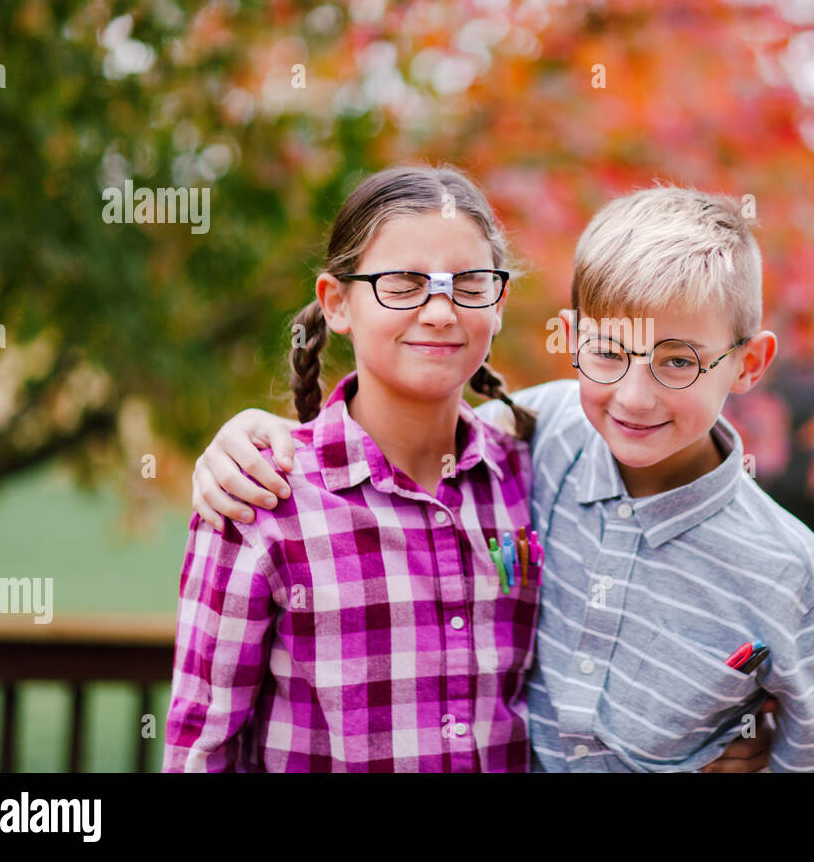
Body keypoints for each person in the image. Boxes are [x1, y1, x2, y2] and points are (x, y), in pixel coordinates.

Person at [192, 183, 814, 772]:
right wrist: (244, 432)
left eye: (679, 362)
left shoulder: (790, 574)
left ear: (748, 364)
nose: (633, 398)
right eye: (607, 353)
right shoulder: (542, 435)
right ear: (573, 339)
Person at [164, 165, 541, 771]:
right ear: (337, 303)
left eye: (470, 284)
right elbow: (201, 746)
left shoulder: (527, 474)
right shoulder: (261, 498)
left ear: (497, 306)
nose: (441, 311)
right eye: (403, 282)